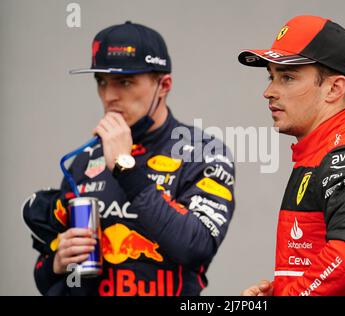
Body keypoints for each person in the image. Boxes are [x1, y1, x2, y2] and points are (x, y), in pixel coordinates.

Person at [23, 21, 235, 296]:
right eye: (102, 82)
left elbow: (196, 246)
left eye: (125, 82)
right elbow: (45, 279)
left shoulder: (202, 152)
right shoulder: (85, 160)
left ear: (164, 84)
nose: (110, 96)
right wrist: (56, 262)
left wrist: (124, 166)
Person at [238, 15, 345, 296]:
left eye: (287, 77)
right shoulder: (322, 152)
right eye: (272, 76)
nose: (269, 92)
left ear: (334, 88)